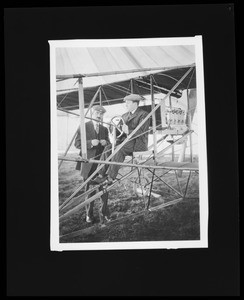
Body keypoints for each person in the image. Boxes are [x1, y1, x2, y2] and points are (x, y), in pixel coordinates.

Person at [93, 94, 150, 185]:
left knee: (119, 149)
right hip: (125, 141)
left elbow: (143, 131)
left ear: (135, 103)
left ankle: (110, 177)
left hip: (138, 143)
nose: (126, 105)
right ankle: (100, 175)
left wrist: (129, 131)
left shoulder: (144, 115)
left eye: (128, 103)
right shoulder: (124, 115)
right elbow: (119, 130)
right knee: (108, 148)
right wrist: (112, 127)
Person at [74, 105, 111, 224]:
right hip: (88, 164)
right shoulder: (84, 126)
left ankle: (105, 214)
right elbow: (77, 143)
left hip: (102, 164)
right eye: (97, 113)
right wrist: (90, 143)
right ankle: (89, 215)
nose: (99, 115)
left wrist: (106, 142)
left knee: (104, 191)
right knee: (89, 191)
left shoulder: (104, 129)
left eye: (101, 113)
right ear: (91, 113)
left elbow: (110, 144)